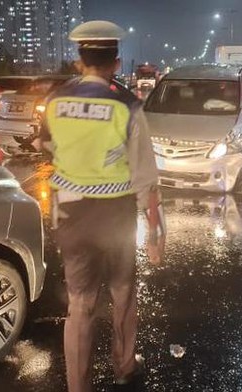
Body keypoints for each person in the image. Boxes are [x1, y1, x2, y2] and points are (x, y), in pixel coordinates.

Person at [34, 20, 164, 392]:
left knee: (80, 304)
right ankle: (124, 367)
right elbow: (145, 177)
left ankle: (79, 386)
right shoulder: (126, 105)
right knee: (123, 294)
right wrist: (153, 233)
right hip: (115, 216)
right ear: (117, 63)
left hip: (72, 217)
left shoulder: (57, 100)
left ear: (80, 61)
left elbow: (44, 145)